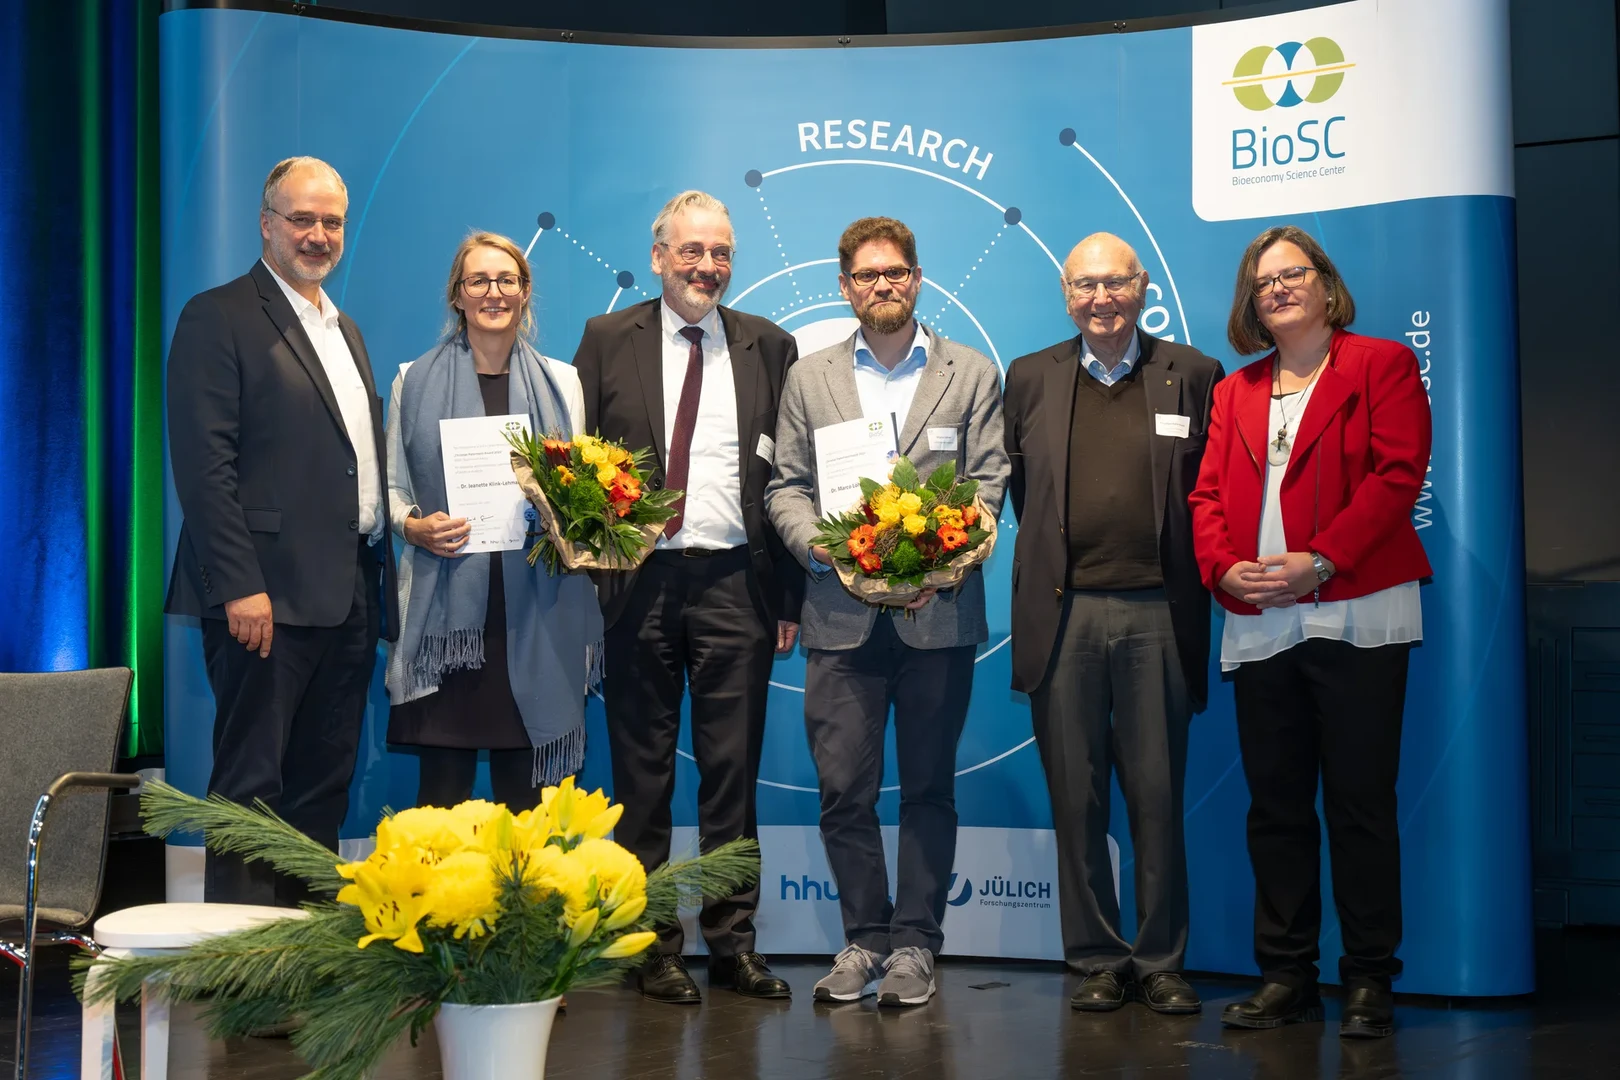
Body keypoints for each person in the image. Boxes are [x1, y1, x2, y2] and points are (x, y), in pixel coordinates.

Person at [1190, 225, 1432, 1039]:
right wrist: (1223, 567)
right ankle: (1285, 975)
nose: (1280, 289)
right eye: (1264, 283)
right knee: (1277, 807)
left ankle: (1368, 980)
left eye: (1294, 274)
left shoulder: (1380, 365)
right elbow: (1207, 500)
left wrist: (1321, 562)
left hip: (1356, 607)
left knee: (1360, 804)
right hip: (1262, 620)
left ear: (1326, 285)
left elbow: (1398, 475)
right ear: (1250, 304)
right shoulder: (1236, 390)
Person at [766, 216, 1009, 1008]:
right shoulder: (811, 377)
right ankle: (864, 941)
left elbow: (986, 484)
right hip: (840, 615)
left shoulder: (969, 373)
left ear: (917, 277)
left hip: (937, 616)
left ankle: (916, 947)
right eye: (867, 275)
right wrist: (821, 550)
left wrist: (946, 558)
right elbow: (786, 487)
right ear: (845, 287)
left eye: (896, 272)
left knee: (930, 787)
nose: (883, 286)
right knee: (846, 790)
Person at [572, 190, 802, 1004]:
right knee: (641, 777)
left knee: (731, 777)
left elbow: (790, 478)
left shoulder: (772, 345)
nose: (709, 266)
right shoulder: (605, 340)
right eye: (694, 250)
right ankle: (649, 943)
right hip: (637, 583)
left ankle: (733, 945)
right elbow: (577, 467)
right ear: (660, 254)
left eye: (722, 252)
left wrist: (790, 598)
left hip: (738, 581)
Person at [166, 156, 397, 906]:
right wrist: (240, 585)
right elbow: (205, 468)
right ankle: (242, 981)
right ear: (267, 223)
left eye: (332, 221)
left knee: (322, 789)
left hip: (346, 594)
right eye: (303, 218)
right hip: (262, 600)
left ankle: (298, 966)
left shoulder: (344, 326)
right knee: (250, 793)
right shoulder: (219, 314)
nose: (319, 234)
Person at [1003, 233, 1223, 1015]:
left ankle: (1162, 958)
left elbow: (1211, 493)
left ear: (1142, 287)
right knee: (1077, 796)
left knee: (1157, 796)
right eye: (1085, 286)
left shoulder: (1193, 375)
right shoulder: (1030, 377)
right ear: (1067, 294)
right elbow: (1026, 497)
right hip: (1064, 616)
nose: (1101, 300)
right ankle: (1096, 955)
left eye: (1115, 284)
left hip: (1158, 611)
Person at [383, 232, 602, 811]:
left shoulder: (563, 382)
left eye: (507, 280)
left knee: (528, 805)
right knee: (441, 796)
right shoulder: (412, 380)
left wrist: (571, 516)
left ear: (525, 293)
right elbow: (390, 488)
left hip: (536, 609)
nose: (493, 293)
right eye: (478, 281)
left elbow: (580, 485)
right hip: (447, 613)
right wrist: (413, 526)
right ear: (457, 295)